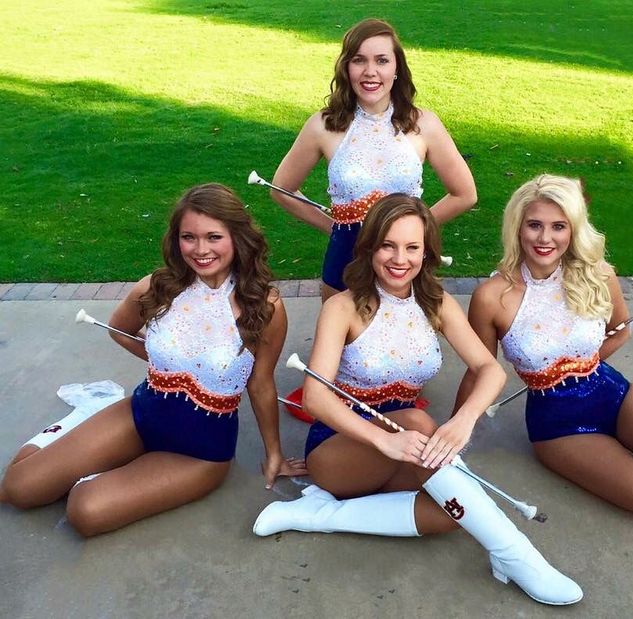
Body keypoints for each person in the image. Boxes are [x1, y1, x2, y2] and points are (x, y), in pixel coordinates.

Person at [253, 194, 583, 606]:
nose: (399, 259)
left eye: (412, 247)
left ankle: (319, 515)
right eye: (388, 245)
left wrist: (463, 421)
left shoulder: (436, 303)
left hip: (406, 448)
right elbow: (317, 397)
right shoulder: (343, 307)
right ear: (369, 246)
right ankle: (517, 556)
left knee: (453, 511)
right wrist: (383, 440)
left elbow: (491, 369)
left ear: (427, 251)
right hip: (342, 452)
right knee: (420, 426)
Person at [1, 184, 306, 536]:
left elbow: (261, 383)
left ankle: (91, 461)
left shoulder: (264, 305)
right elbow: (120, 330)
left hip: (200, 453)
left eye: (213, 237)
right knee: (18, 489)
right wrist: (169, 364)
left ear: (238, 237)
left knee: (85, 511)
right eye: (188, 237)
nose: (201, 249)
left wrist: (274, 454)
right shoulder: (158, 286)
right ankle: (81, 420)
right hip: (140, 416)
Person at [455, 174, 633, 514]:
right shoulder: (491, 297)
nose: (545, 238)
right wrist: (455, 434)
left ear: (573, 229)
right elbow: (479, 371)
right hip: (557, 426)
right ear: (517, 227)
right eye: (534, 225)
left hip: (610, 393)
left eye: (559, 226)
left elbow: (620, 329)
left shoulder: (597, 273)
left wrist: (579, 366)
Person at [269, 18, 476, 301]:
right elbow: (282, 189)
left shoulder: (424, 124)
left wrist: (414, 229)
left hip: (404, 262)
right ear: (346, 67)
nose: (370, 72)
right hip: (347, 258)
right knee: (343, 338)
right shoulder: (323, 125)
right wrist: (333, 227)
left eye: (381, 60)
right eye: (358, 60)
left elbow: (465, 194)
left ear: (396, 68)